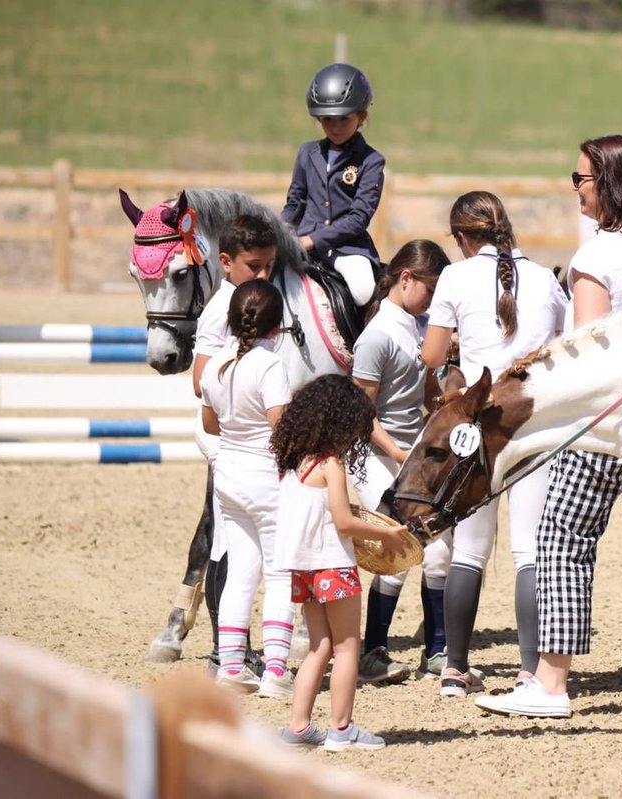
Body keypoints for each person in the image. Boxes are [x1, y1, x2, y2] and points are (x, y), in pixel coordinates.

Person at [475, 135, 622, 720]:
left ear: (609, 184)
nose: (575, 187)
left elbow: (590, 353)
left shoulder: (597, 257)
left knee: (563, 543)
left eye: (582, 179)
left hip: (603, 424)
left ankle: (551, 684)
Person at [421, 191, 568, 697]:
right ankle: (530, 669)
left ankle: (454, 668)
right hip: (531, 425)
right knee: (530, 550)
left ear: (463, 237)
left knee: (469, 550)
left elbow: (432, 353)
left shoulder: (455, 278)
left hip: (474, 426)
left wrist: (464, 343)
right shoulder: (547, 279)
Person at [271, 374, 410, 750]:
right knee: (348, 647)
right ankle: (341, 727)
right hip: (333, 565)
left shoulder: (295, 463)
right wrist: (388, 534)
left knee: (320, 647)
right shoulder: (332, 465)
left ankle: (298, 727)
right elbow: (343, 521)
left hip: (304, 569)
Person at [351, 240, 454, 684]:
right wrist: (395, 452)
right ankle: (373, 649)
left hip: (414, 456)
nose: (433, 300)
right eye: (430, 289)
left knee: (441, 554)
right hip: (378, 454)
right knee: (399, 549)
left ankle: (435, 651)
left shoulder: (422, 326)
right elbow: (361, 411)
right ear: (406, 279)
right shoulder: (377, 336)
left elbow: (427, 391)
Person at [191, 214, 278, 673]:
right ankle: (226, 648)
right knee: (229, 543)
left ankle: (236, 647)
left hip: (248, 428)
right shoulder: (221, 309)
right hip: (226, 432)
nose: (264, 276)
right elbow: (199, 382)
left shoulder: (255, 295)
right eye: (254, 266)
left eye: (269, 267)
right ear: (226, 263)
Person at [200, 279, 294, 698]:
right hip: (265, 476)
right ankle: (276, 668)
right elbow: (281, 427)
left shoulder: (216, 364)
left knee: (241, 570)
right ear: (276, 326)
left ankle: (233, 664)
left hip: (229, 474)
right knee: (279, 572)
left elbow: (209, 424)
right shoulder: (270, 365)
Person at [282, 63, 384, 308]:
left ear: (362, 116)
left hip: (347, 248)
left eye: (343, 119)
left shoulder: (371, 161)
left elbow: (359, 218)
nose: (335, 127)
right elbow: (296, 202)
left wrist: (312, 240)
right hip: (301, 240)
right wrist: (281, 231)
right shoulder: (307, 152)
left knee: (363, 290)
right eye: (327, 120)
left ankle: (357, 344)